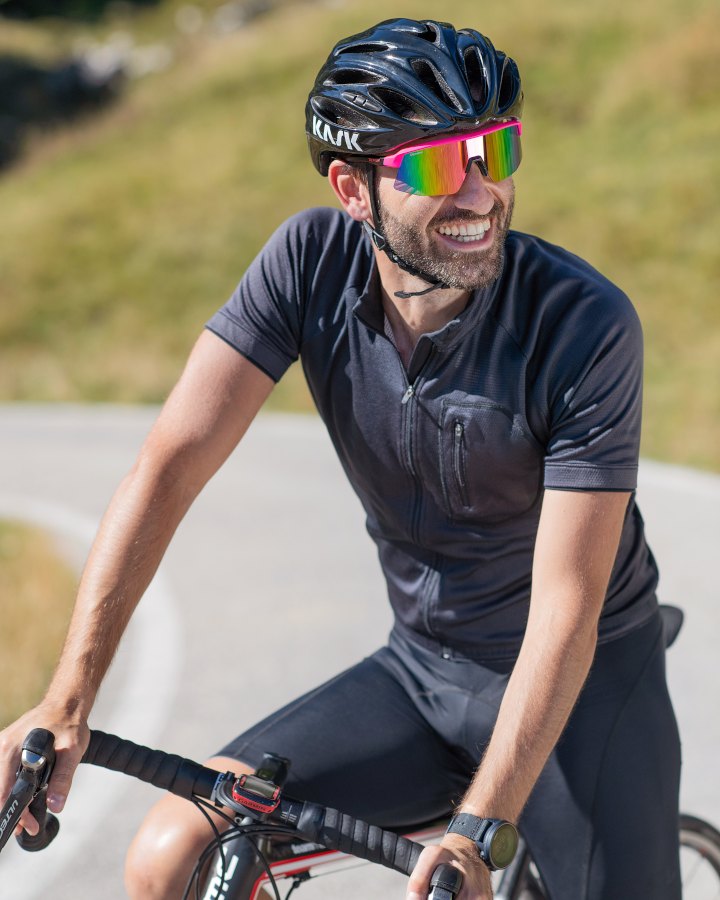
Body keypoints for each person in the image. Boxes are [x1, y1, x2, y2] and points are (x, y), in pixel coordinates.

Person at [0, 17, 681, 900]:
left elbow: (565, 609)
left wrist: (477, 829)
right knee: (171, 853)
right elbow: (169, 467)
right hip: (420, 670)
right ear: (353, 189)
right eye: (437, 167)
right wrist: (69, 697)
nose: (480, 194)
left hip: (586, 690)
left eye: (495, 151)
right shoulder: (307, 264)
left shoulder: (582, 324)